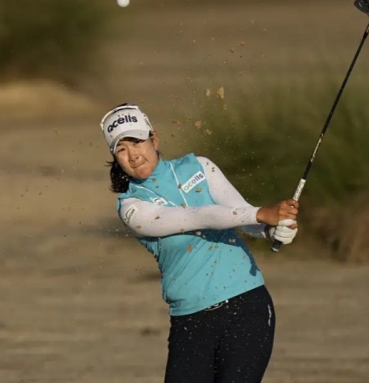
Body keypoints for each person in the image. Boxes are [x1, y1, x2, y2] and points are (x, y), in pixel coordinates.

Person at [100, 103, 300, 383]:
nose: (133, 155)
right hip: (191, 322)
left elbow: (242, 217)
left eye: (137, 142)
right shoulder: (132, 207)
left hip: (248, 306)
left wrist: (270, 230)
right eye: (122, 149)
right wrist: (260, 213)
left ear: (154, 139)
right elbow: (197, 216)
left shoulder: (200, 167)